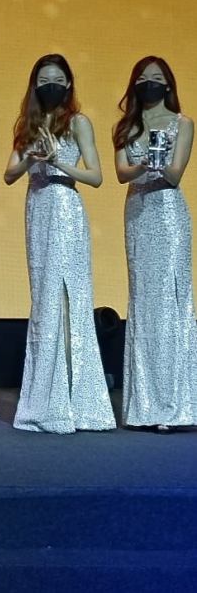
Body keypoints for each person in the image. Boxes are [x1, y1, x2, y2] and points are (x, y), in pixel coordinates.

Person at [4, 53, 115, 433]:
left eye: (57, 80)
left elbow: (96, 176)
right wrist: (31, 158)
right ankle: (44, 398)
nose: (50, 86)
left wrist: (57, 162)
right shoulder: (29, 124)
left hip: (66, 206)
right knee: (45, 299)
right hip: (37, 209)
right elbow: (8, 174)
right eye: (43, 81)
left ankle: (78, 400)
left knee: (71, 298)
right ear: (35, 86)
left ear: (67, 85)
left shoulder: (78, 123)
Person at [114, 56, 197, 431]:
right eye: (143, 78)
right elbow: (121, 174)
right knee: (144, 301)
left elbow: (175, 175)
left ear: (168, 84)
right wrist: (142, 165)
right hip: (138, 213)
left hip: (167, 214)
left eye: (157, 77)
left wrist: (158, 164)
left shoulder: (183, 123)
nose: (150, 83)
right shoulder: (126, 127)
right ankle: (144, 406)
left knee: (170, 300)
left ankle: (175, 406)